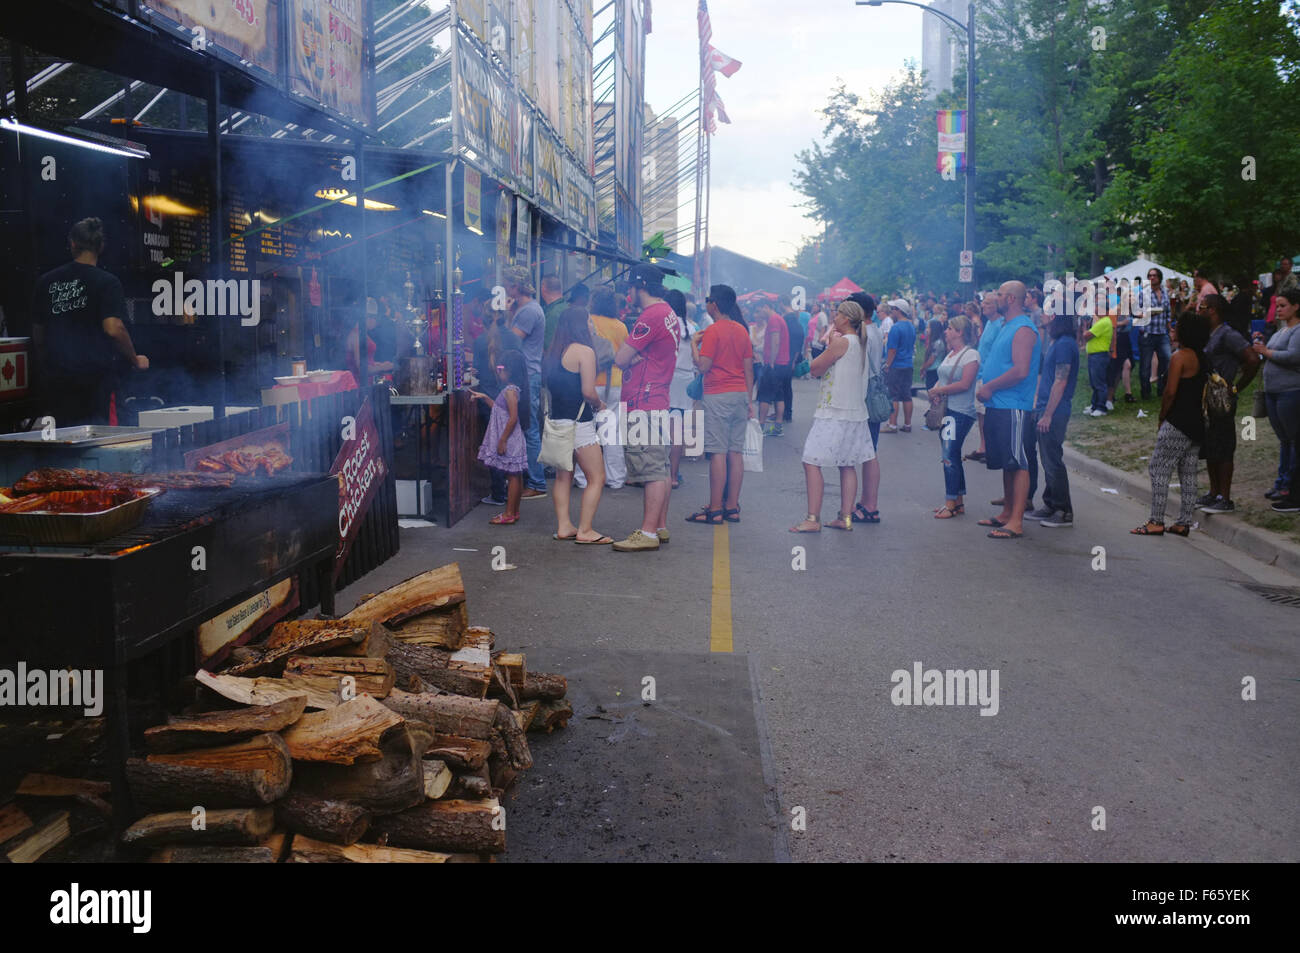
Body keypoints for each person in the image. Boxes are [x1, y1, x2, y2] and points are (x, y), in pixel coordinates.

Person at [31, 217, 148, 426]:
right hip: (97, 382)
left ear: (73, 243)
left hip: (59, 381)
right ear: (101, 246)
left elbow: (38, 336)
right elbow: (114, 328)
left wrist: (47, 367)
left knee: (65, 442)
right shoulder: (107, 282)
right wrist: (135, 359)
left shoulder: (46, 281)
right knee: (102, 443)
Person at [612, 264, 680, 551]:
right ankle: (660, 526)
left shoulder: (651, 315)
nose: (629, 293)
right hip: (658, 398)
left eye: (630, 287)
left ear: (639, 287)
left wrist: (629, 356)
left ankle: (648, 532)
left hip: (643, 399)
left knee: (650, 468)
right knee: (660, 466)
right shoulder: (668, 313)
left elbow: (620, 358)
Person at [790, 300, 874, 533]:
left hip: (834, 411)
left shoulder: (843, 343)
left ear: (846, 319)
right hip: (855, 412)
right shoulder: (859, 342)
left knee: (811, 460)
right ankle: (844, 517)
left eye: (837, 314)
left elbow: (815, 368)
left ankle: (812, 518)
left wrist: (829, 343)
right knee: (847, 464)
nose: (834, 317)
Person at [1133, 311, 1210, 535]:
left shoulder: (1180, 356)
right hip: (1196, 423)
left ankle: (1156, 521)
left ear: (1186, 331)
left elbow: (1170, 392)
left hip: (1177, 421)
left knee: (1158, 468)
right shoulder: (1202, 357)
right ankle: (1183, 522)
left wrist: (1161, 417)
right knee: (1188, 473)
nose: (1172, 330)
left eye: (1176, 327)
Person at [975, 280, 1041, 539]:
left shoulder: (1024, 328)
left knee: (1018, 461)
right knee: (1007, 461)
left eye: (1000, 295)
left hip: (1013, 404)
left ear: (1011, 299)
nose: (996, 298)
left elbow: (1020, 371)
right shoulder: (1006, 325)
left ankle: (1016, 521)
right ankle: (1006, 513)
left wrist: (990, 386)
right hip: (998, 404)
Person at [687, 284, 754, 525]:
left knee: (717, 453)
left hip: (717, 394)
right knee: (736, 453)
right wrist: (750, 400)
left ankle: (715, 509)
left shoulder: (712, 332)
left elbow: (703, 366)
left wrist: (694, 345)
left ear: (713, 304)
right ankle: (732, 506)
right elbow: (749, 368)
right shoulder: (742, 331)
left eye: (707, 300)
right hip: (739, 394)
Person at [544, 306, 612, 544]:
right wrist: (599, 404)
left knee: (564, 476)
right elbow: (587, 391)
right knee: (597, 477)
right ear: (580, 325)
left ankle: (564, 526)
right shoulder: (585, 351)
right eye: (589, 321)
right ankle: (585, 530)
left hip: (558, 421)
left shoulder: (554, 352)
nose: (592, 325)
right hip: (579, 423)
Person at [1197, 294, 1260, 514]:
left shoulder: (1228, 334)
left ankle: (1225, 497)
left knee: (1223, 446)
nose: (1198, 311)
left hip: (1221, 399)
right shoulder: (1209, 334)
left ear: (1212, 309)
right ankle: (1213, 493)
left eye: (1201, 307)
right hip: (1207, 399)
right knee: (1210, 446)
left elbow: (1252, 360)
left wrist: (1235, 387)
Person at [928, 314, 980, 519]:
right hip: (947, 410)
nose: (946, 331)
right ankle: (957, 501)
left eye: (950, 328)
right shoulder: (950, 354)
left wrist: (940, 392)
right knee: (953, 455)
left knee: (948, 456)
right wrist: (935, 391)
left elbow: (965, 384)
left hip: (960, 412)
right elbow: (943, 379)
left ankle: (950, 502)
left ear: (959, 332)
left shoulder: (971, 355)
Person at [1029, 312, 1079, 527]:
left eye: (1049, 311)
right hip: (1045, 408)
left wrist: (1047, 414)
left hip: (1055, 411)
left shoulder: (1065, 345)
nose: (1043, 314)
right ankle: (1050, 504)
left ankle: (1063, 510)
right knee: (1047, 460)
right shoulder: (1057, 342)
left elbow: (1061, 381)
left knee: (1052, 461)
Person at [470, 350, 530, 525]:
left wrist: (502, 439)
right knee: (515, 475)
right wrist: (485, 397)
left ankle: (509, 513)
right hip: (513, 437)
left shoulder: (510, 390)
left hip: (510, 438)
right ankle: (514, 511)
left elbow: (512, 417)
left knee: (511, 476)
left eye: (501, 368)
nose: (498, 371)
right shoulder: (512, 390)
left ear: (510, 370)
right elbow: (499, 408)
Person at [1254, 289, 1300, 512]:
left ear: (1296, 306)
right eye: (1277, 306)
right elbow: (1269, 351)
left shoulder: (1298, 330)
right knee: (1284, 439)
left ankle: (1290, 486)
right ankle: (1282, 481)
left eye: (1282, 305)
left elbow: (1293, 356)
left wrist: (1267, 352)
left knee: (1293, 439)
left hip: (1290, 391)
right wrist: (1262, 347)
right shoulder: (1281, 330)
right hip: (1273, 391)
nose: (1278, 310)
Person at [472, 304, 523, 506]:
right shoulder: (515, 338)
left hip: (490, 397)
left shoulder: (480, 341)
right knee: (511, 444)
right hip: (510, 397)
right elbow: (521, 367)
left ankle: (498, 493)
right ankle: (512, 493)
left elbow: (476, 369)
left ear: (484, 321)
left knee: (495, 445)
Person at [505, 266, 548, 500]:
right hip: (528, 373)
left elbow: (511, 341)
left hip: (527, 375)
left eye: (507, 284)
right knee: (527, 428)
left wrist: (506, 313)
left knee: (530, 429)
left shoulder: (529, 311)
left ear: (515, 286)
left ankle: (537, 482)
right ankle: (532, 479)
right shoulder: (528, 309)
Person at [581, 288, 629, 491]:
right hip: (614, 383)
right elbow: (625, 356)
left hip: (589, 380)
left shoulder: (587, 320)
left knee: (585, 430)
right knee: (612, 431)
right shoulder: (620, 327)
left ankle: (583, 478)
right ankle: (615, 478)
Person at [847, 291, 883, 523]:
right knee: (869, 451)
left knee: (868, 454)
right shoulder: (875, 331)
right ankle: (867, 501)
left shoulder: (865, 335)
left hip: (864, 397)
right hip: (873, 393)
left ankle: (870, 505)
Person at [664, 289, 698, 490]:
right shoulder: (692, 328)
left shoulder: (666, 324)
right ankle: (674, 476)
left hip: (668, 378)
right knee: (677, 431)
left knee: (661, 428)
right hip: (685, 380)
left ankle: (660, 474)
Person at [965, 291, 1004, 461]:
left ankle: (994, 448)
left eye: (988, 303)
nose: (983, 306)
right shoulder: (988, 323)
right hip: (980, 373)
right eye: (984, 303)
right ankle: (983, 447)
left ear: (997, 306)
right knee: (980, 414)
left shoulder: (1001, 325)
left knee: (989, 414)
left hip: (990, 376)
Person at [1135, 267, 1173, 399]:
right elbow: (1136, 312)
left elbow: (1168, 312)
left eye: (1154, 275)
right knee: (1145, 366)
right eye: (1149, 275)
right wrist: (1148, 313)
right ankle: (1146, 392)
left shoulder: (1165, 292)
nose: (1151, 278)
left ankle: (1162, 390)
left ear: (1159, 277)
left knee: (1167, 361)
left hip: (1162, 333)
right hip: (1148, 333)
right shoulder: (1143, 293)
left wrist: (1170, 328)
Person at [880, 298, 916, 433]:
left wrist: (888, 364)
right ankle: (907, 424)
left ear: (899, 311)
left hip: (896, 365)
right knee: (907, 395)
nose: (891, 311)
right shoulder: (911, 326)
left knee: (893, 394)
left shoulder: (896, 328)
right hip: (908, 364)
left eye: (893, 309)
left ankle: (892, 424)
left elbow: (892, 349)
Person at [756, 300, 791, 435]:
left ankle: (761, 426)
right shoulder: (777, 319)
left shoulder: (774, 320)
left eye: (759, 310)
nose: (758, 314)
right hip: (782, 363)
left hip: (775, 364)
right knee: (778, 396)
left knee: (765, 395)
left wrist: (771, 362)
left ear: (766, 306)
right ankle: (778, 426)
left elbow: (775, 342)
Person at [1083, 309, 1113, 416]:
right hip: (1095, 355)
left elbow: (1086, 335)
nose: (1095, 311)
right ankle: (1094, 405)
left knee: (1099, 383)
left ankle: (1101, 407)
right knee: (1094, 382)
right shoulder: (1101, 321)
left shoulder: (1103, 322)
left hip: (1099, 355)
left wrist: (1085, 325)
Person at [781, 298, 805, 422]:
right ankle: (786, 412)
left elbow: (795, 344)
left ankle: (785, 412)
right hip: (790, 358)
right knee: (786, 387)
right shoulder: (797, 325)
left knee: (784, 387)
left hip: (787, 359)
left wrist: (793, 361)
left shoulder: (789, 323)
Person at [540, 274, 566, 348]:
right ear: (560, 289)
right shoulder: (568, 307)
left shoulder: (553, 314)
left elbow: (549, 348)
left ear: (543, 289)